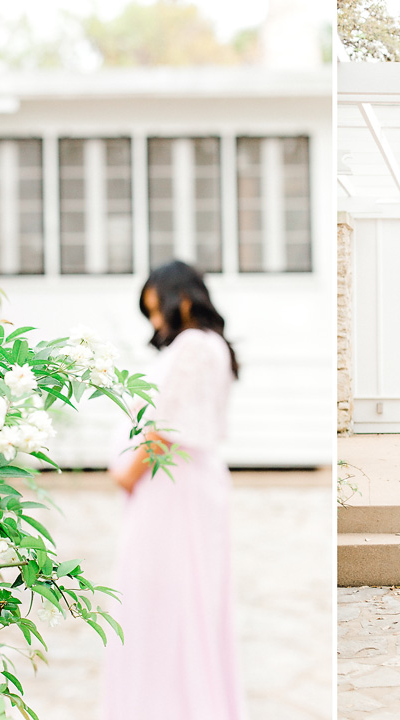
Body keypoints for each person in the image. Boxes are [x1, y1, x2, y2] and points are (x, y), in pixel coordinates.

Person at [103, 260, 245, 719]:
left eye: (157, 309)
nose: (155, 322)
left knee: (163, 599)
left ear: (183, 299)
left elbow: (166, 426)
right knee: (185, 598)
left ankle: (166, 706)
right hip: (188, 483)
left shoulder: (191, 347)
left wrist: (127, 472)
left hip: (171, 483)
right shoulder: (212, 346)